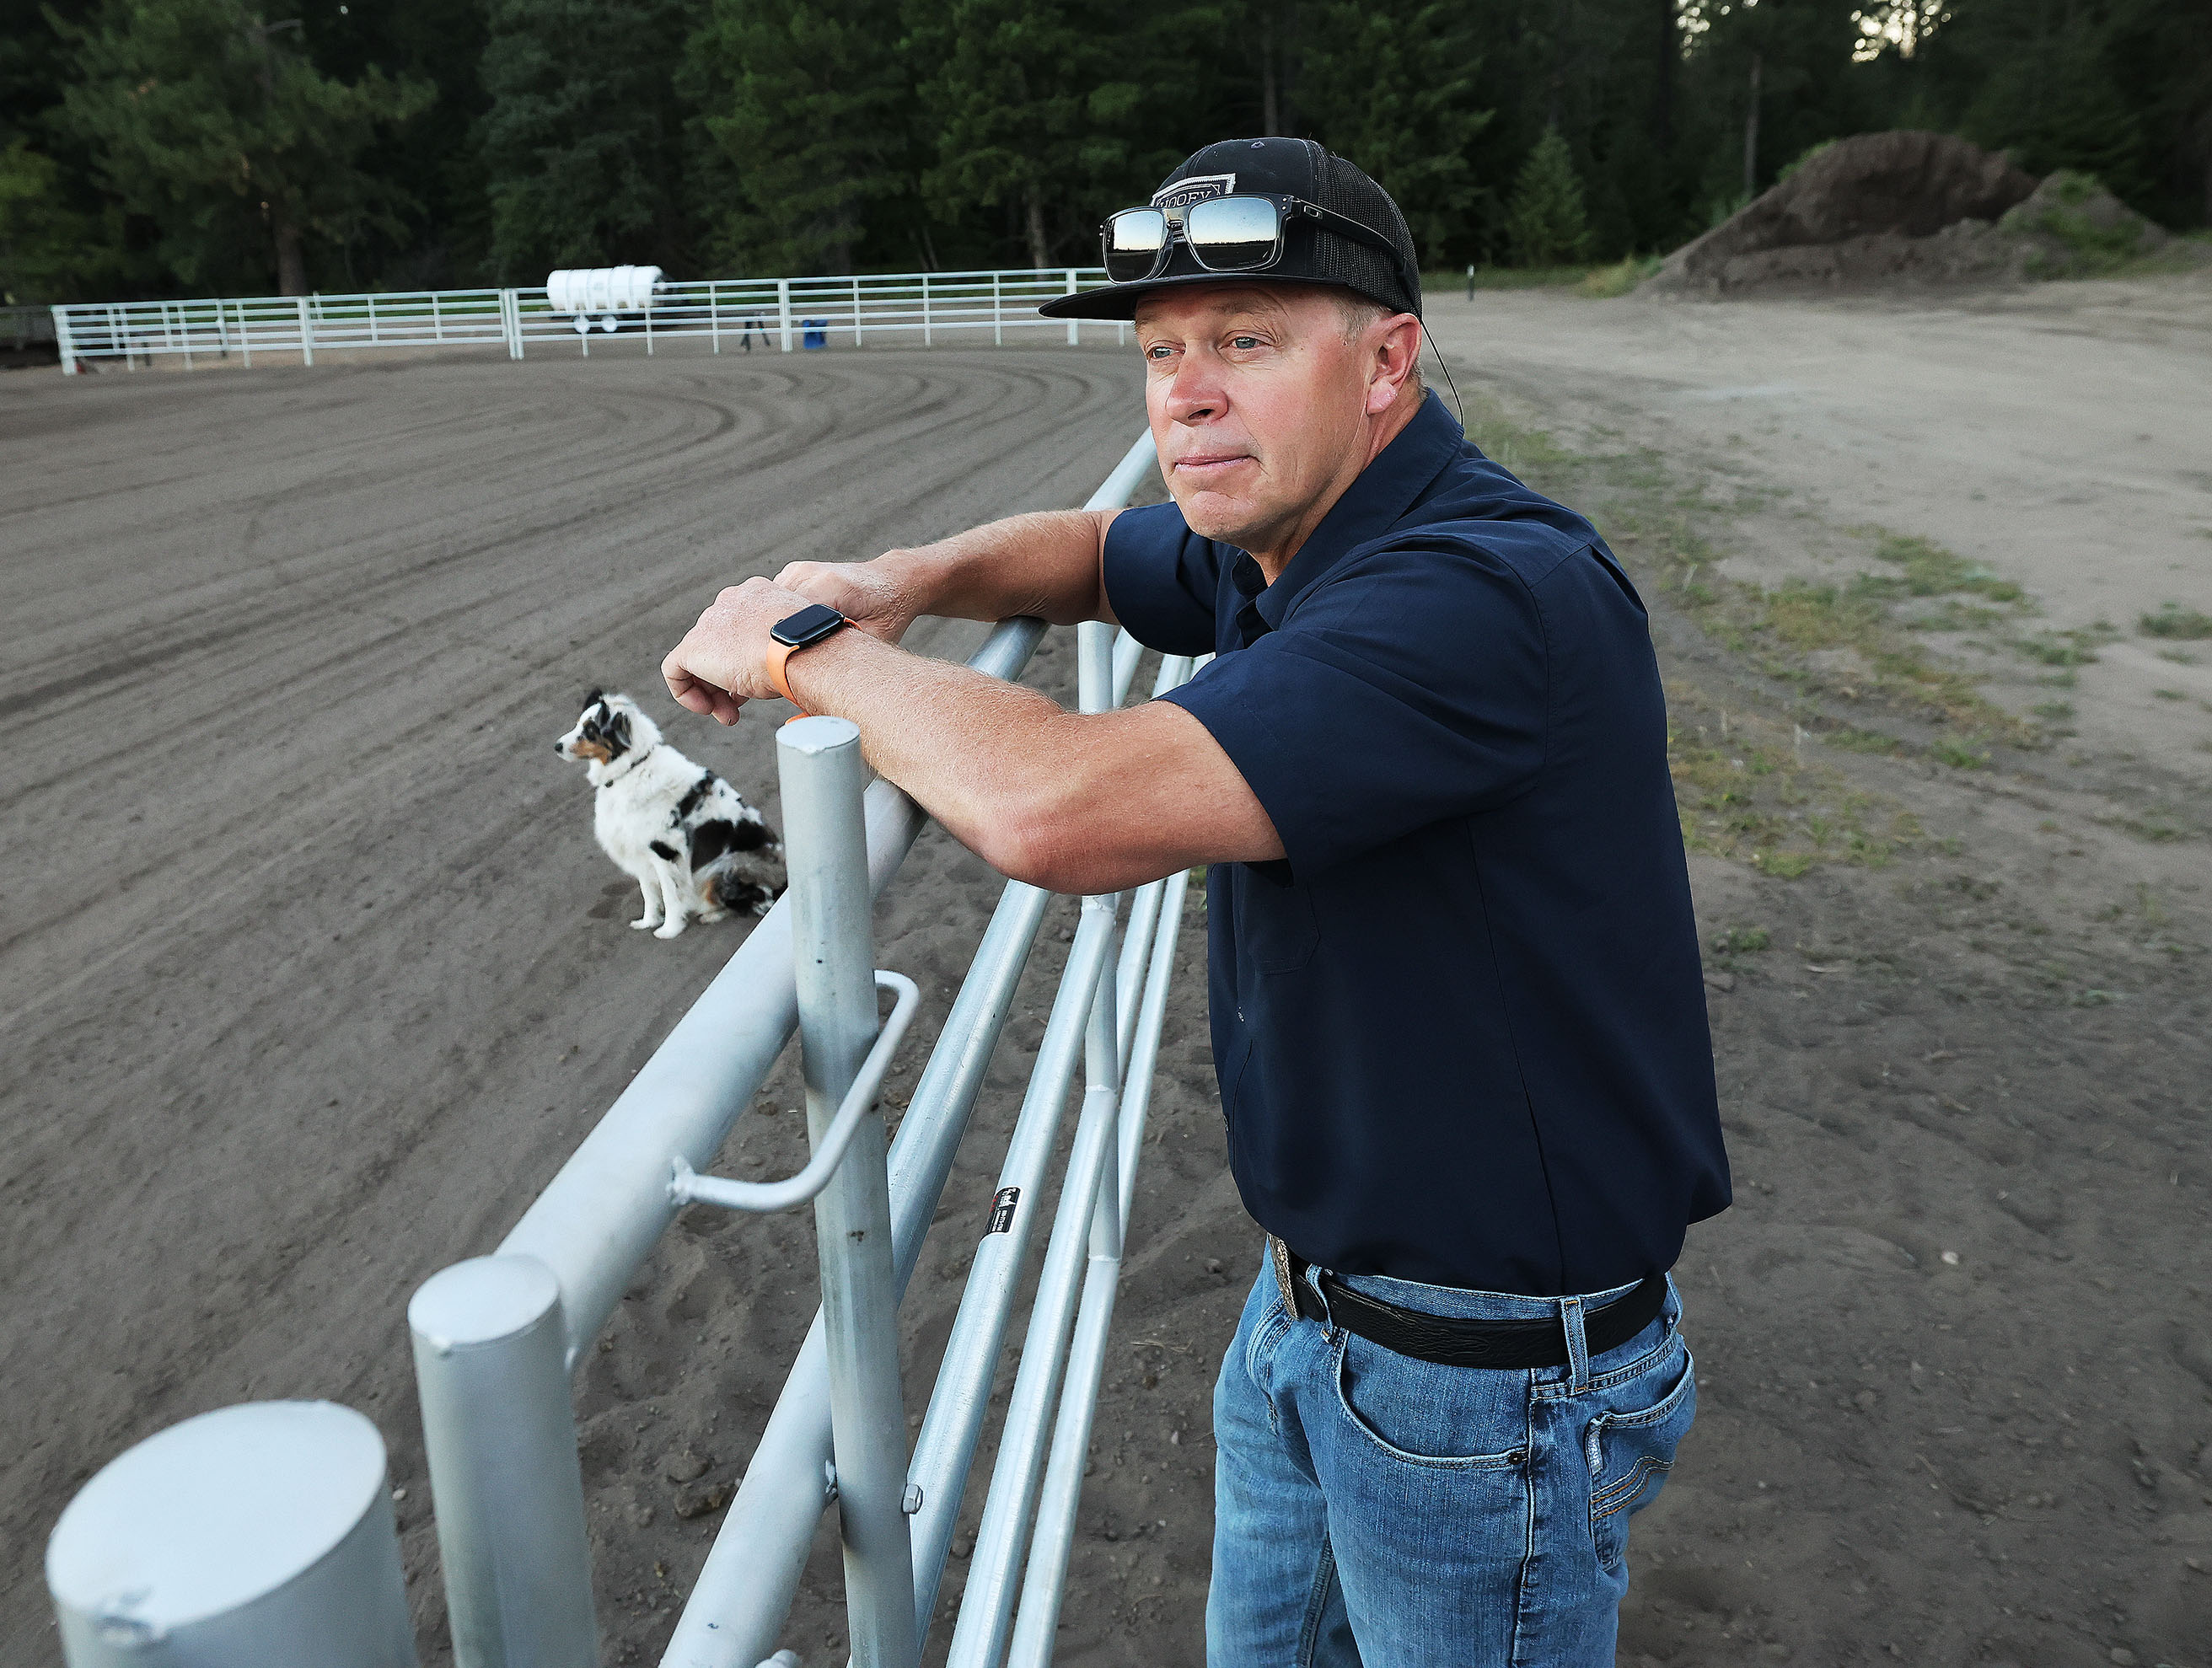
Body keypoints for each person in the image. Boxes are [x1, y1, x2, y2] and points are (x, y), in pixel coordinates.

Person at [659, 137, 1731, 1665]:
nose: (1185, 391)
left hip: (1485, 1384)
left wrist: (809, 647)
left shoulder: (1477, 597)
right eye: (1162, 351)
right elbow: (1096, 550)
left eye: (1245, 341)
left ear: (1387, 362)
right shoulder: (1292, 534)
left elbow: (1056, 811)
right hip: (1316, 1312)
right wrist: (896, 579)